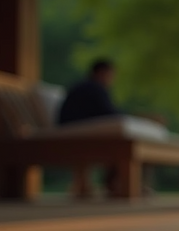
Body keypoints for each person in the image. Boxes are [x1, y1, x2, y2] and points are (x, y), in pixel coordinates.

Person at [58, 59, 159, 197]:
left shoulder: (82, 87)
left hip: (72, 126)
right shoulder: (95, 88)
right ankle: (117, 184)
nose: (112, 79)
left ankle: (112, 183)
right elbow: (110, 113)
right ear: (102, 73)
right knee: (120, 140)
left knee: (119, 135)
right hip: (76, 129)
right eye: (111, 75)